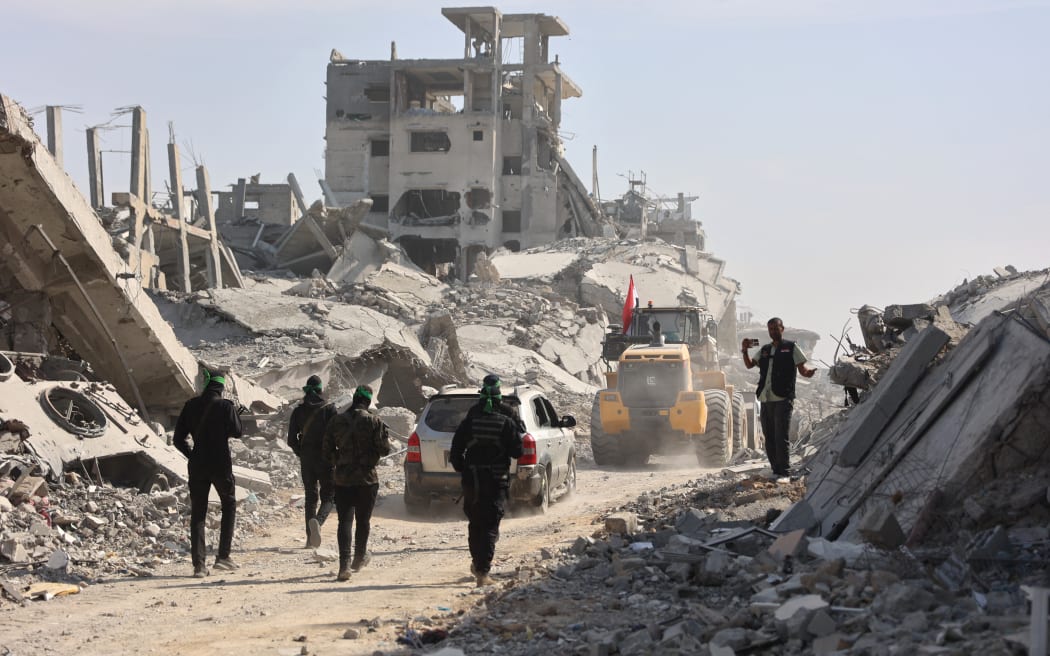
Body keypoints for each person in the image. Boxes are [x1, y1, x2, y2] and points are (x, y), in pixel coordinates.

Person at [449, 374, 524, 587]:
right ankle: (482, 572)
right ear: (500, 395)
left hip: (472, 480)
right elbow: (518, 451)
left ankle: (477, 563)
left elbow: (456, 449)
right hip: (496, 481)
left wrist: (463, 469)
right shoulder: (507, 419)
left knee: (475, 524)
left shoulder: (471, 417)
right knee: (490, 526)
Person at [173, 370, 244, 578]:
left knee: (198, 513)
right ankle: (223, 557)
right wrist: (236, 415)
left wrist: (193, 454)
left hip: (197, 466)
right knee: (228, 505)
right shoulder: (225, 406)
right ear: (222, 388)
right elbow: (237, 432)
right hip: (221, 464)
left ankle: (199, 566)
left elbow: (178, 439)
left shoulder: (191, 405)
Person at [322, 384, 391, 581]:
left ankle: (344, 565)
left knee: (344, 521)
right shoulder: (374, 421)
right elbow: (385, 449)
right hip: (367, 479)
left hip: (343, 479)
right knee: (363, 521)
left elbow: (326, 450)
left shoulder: (336, 420)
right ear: (368, 401)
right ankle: (359, 558)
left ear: (354, 399)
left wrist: (340, 461)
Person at [741, 318, 816, 479]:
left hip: (783, 397)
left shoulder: (790, 347)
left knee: (780, 435)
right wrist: (744, 350)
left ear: (782, 329)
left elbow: (802, 369)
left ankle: (784, 471)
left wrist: (809, 373)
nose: (773, 331)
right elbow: (749, 365)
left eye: (776, 328)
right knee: (769, 436)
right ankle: (776, 469)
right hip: (766, 397)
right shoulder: (765, 350)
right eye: (771, 329)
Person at [287, 374, 338, 548]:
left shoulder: (298, 411)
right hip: (326, 458)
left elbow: (291, 440)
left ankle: (310, 540)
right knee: (329, 496)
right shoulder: (330, 409)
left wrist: (301, 453)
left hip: (307, 459)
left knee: (310, 497)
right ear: (320, 389)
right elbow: (337, 435)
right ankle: (318, 521)